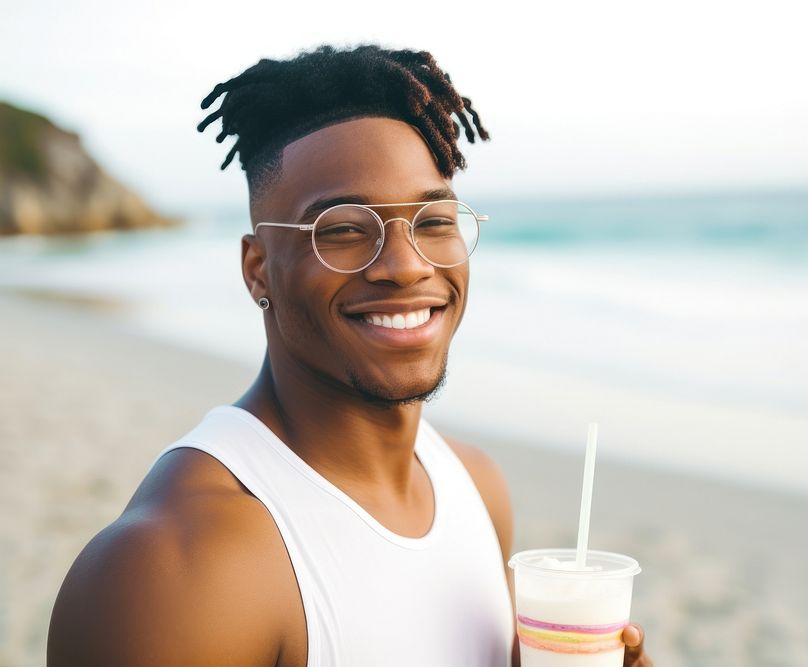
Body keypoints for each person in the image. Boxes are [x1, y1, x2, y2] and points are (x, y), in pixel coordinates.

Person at [47, 44, 652, 666]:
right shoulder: (179, 568)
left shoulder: (476, 487)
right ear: (258, 270)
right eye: (341, 229)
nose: (406, 266)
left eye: (434, 221)